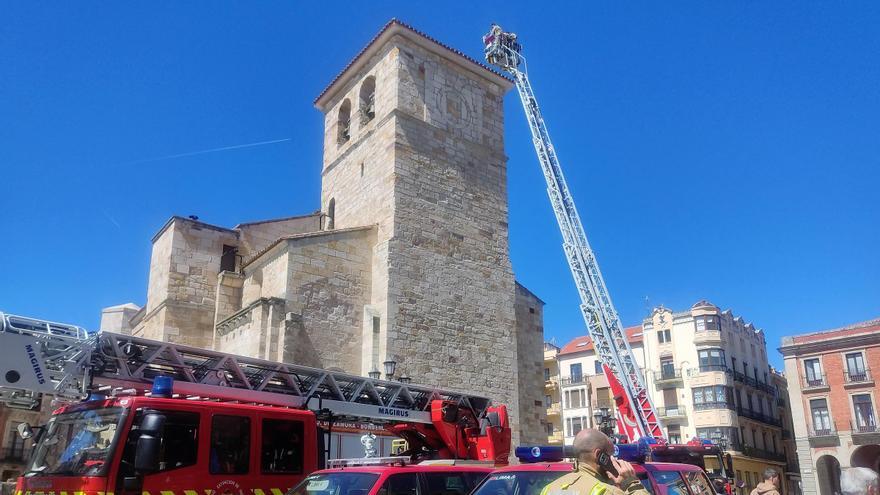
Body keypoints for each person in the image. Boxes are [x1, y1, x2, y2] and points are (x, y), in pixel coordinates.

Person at [541, 429, 649, 495]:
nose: (614, 461)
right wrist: (631, 482)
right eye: (611, 455)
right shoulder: (606, 491)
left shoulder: (548, 489)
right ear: (599, 456)